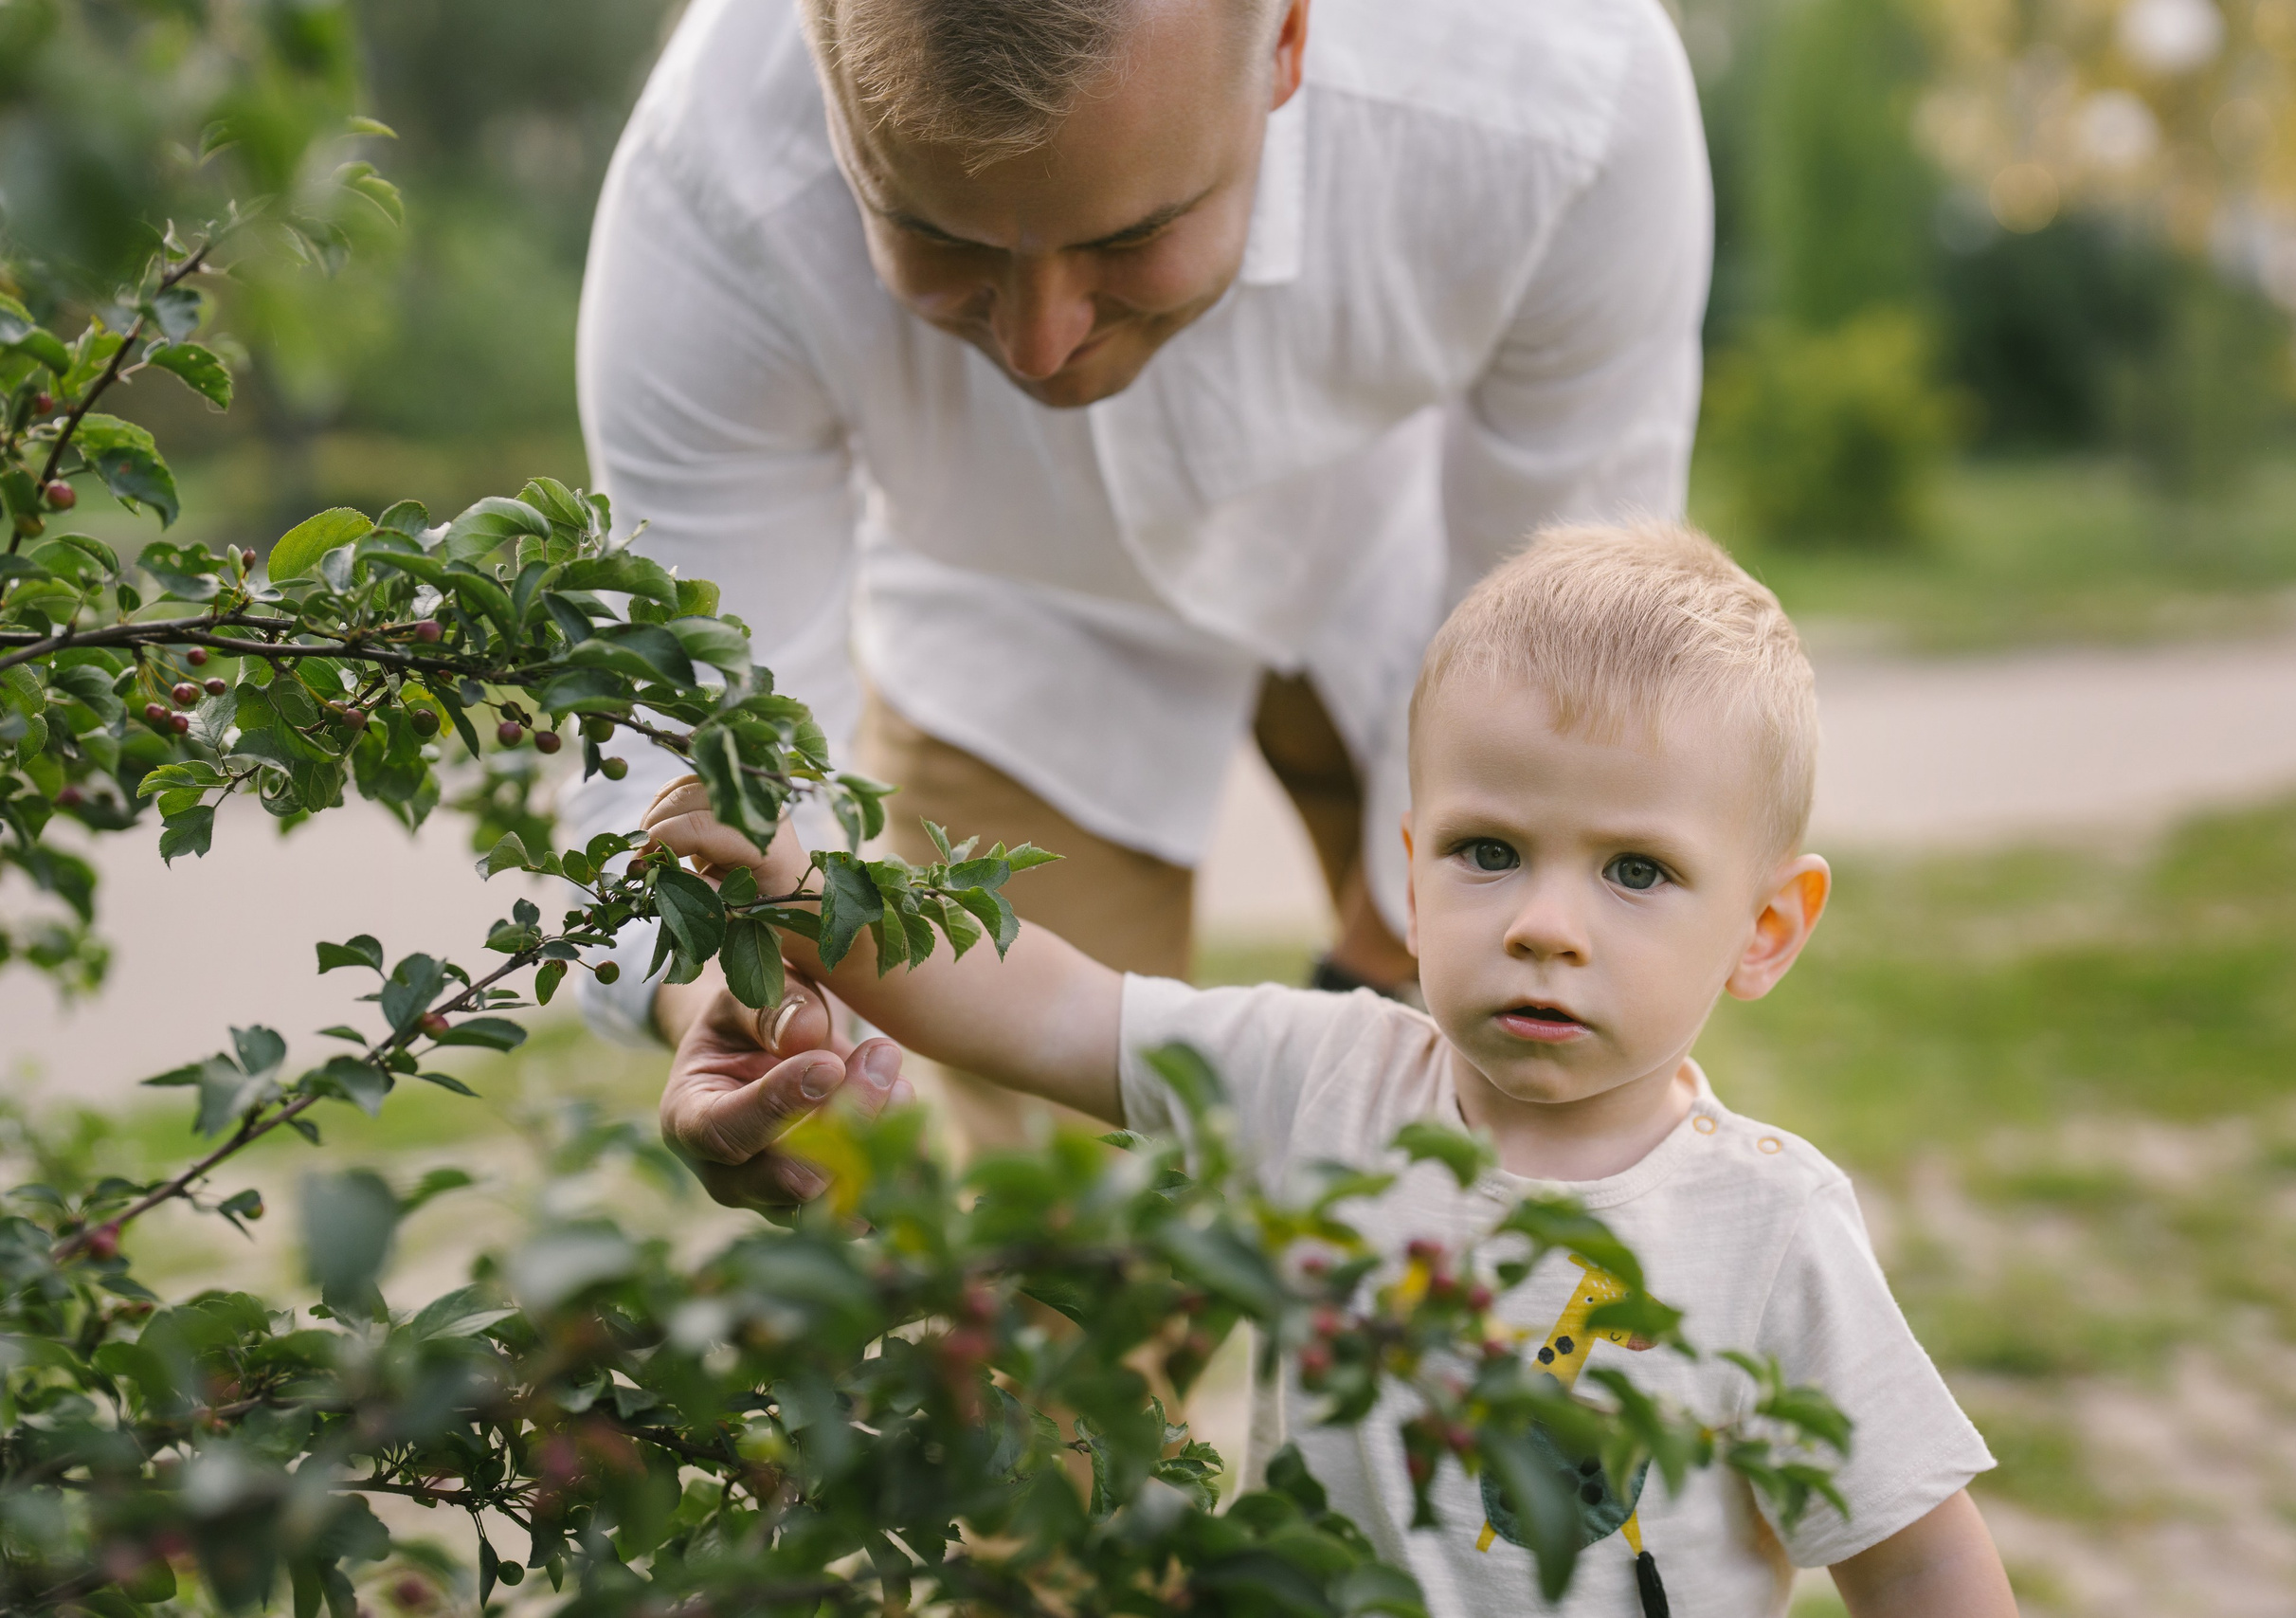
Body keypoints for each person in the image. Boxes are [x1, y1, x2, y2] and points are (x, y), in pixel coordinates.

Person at [638, 520, 2018, 1617]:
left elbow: (1915, 1562)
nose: (1544, 922)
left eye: (1637, 870)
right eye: (1489, 851)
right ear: (1409, 879)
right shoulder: (1320, 1078)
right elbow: (1046, 1006)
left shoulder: (1770, 1228)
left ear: (1765, 928)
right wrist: (807, 896)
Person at [569, 0, 1713, 1204]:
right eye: (937, 235)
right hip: (1006, 618)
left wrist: (1376, 992)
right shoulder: (714, 185)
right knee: (1057, 1249)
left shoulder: (1561, 93)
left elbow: (1567, 648)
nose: (1039, 345)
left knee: (1522, 1171)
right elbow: (688, 747)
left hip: (1407, 572)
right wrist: (736, 994)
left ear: (1286, 41)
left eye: (1133, 235)